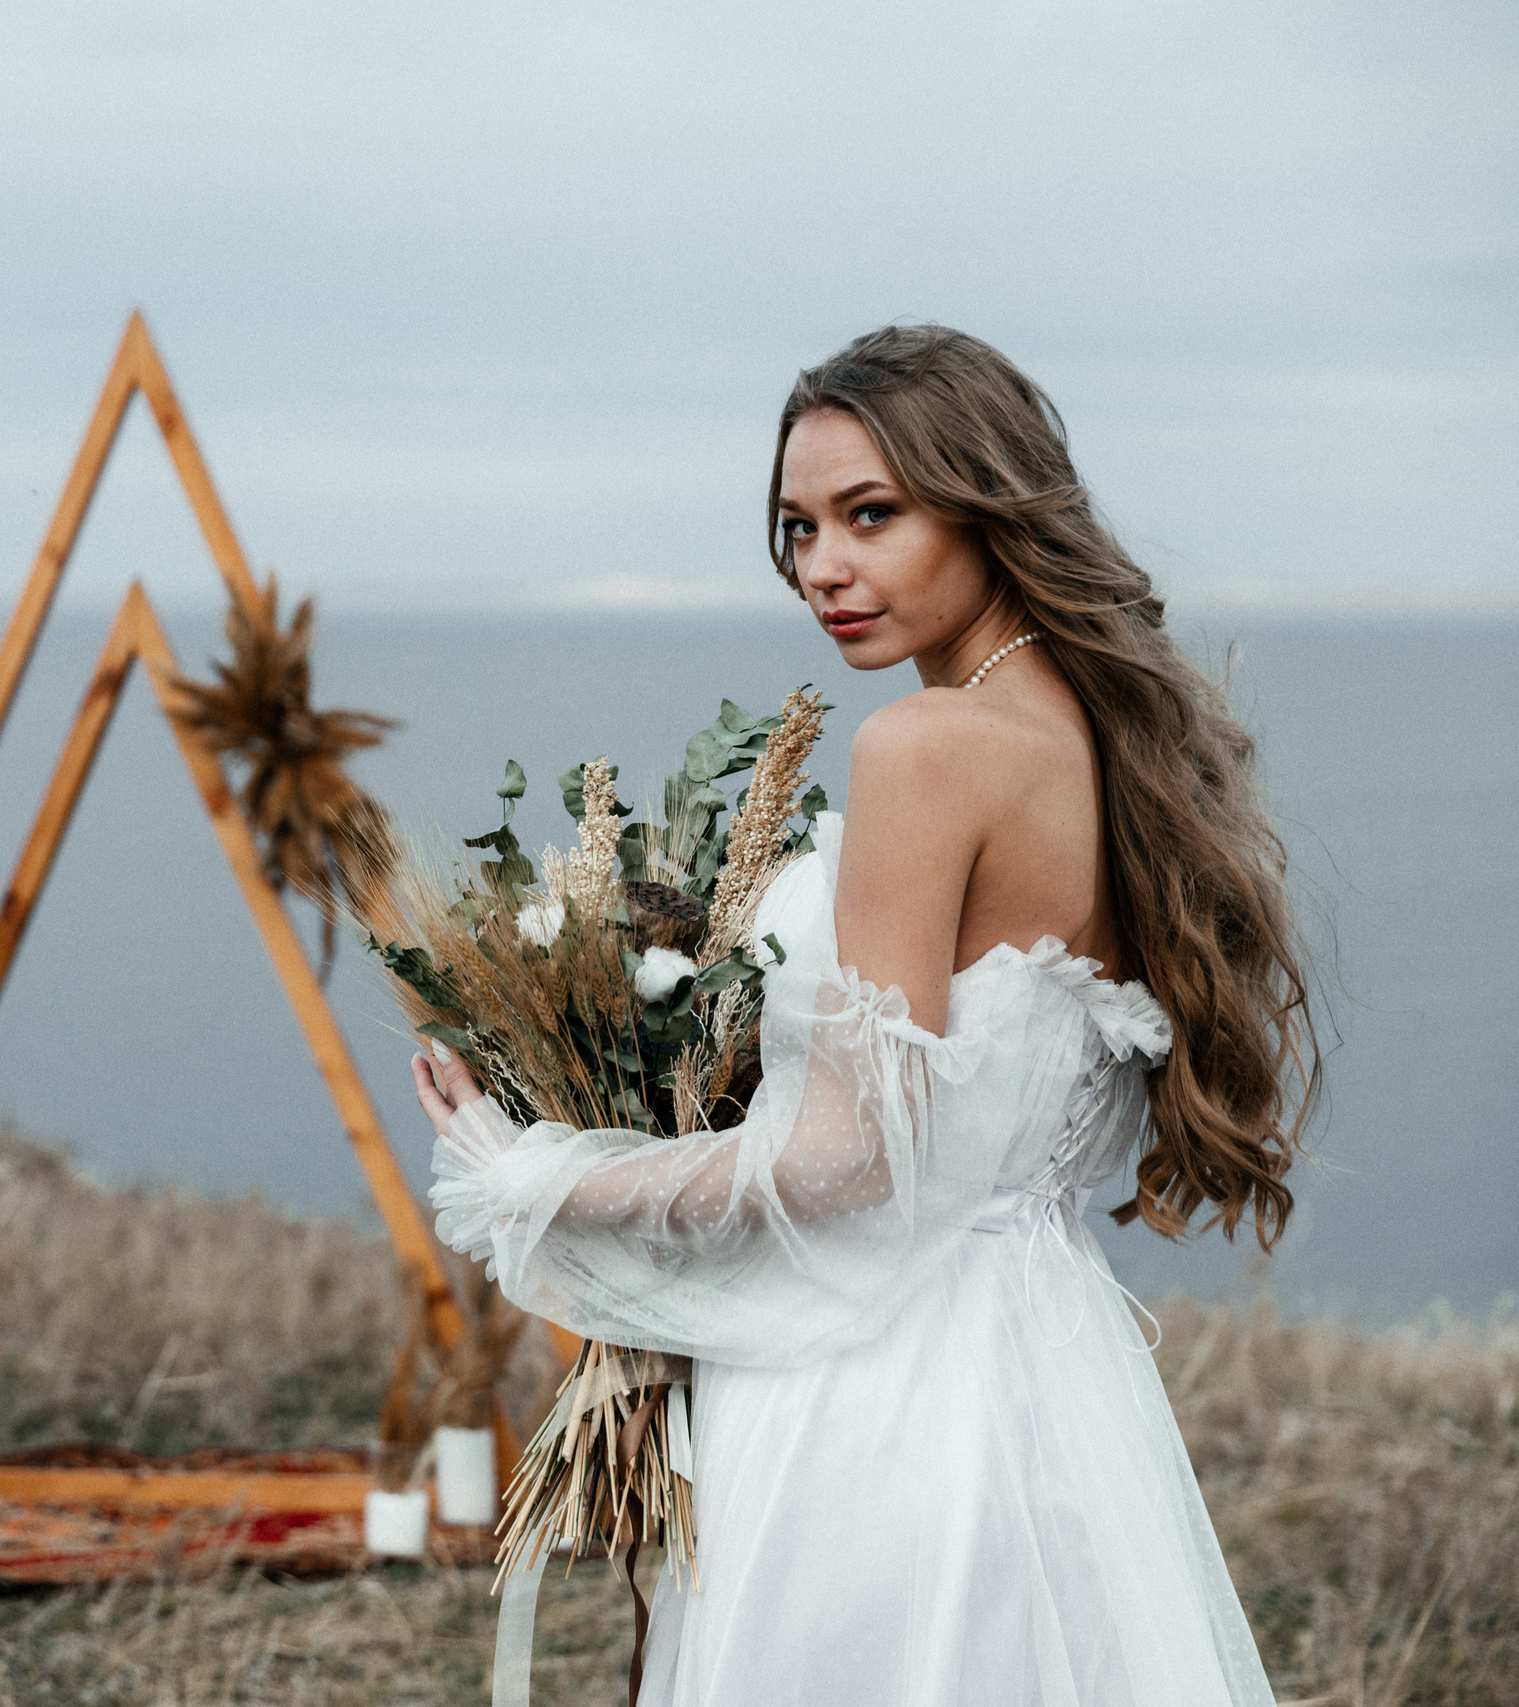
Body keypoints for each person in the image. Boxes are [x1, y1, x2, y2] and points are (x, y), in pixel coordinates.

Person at [415, 326, 1314, 1704]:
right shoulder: (1095, 736)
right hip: (1050, 1374)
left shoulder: (926, 747)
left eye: (870, 515)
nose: (823, 567)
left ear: (991, 498)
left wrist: (535, 1178)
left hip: (877, 1394)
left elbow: (849, 1157)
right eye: (798, 527)